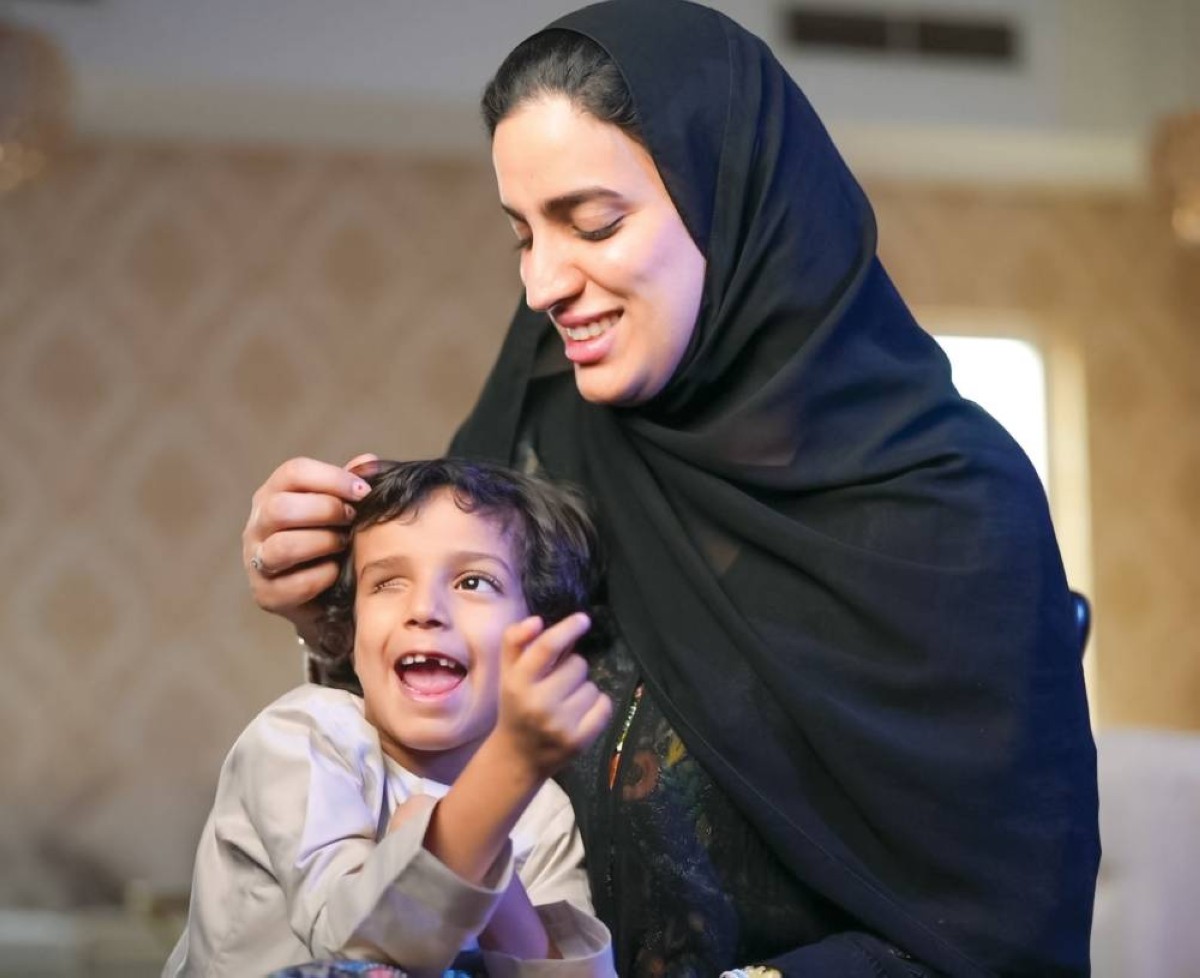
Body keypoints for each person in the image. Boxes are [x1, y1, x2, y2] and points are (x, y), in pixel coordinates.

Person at [240, 3, 1100, 976]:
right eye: (523, 234)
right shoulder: (539, 430)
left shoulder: (953, 513)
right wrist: (332, 618)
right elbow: (427, 793)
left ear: (731, 207)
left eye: (592, 223)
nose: (543, 284)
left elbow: (997, 937)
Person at [171, 459, 616, 977]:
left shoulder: (543, 813)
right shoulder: (300, 738)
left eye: (473, 581)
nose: (425, 609)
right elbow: (354, 951)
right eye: (387, 583)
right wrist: (507, 771)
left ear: (542, 637)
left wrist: (491, 875)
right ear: (347, 633)